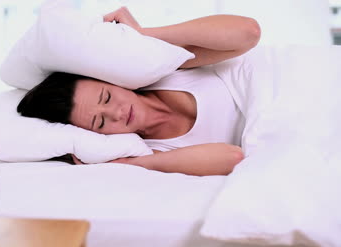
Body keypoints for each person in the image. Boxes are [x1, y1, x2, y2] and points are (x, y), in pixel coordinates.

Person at [17, 7, 261, 176]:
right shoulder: (151, 150)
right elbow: (232, 158)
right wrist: (138, 163)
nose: (117, 113)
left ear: (112, 81)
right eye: (100, 122)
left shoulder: (168, 69)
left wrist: (141, 36)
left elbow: (248, 33)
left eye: (107, 97)